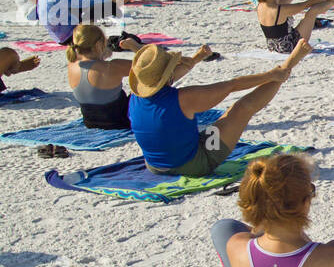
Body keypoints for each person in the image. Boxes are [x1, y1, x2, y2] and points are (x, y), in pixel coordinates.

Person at [128, 41, 309, 177]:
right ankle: (288, 65)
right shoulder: (183, 99)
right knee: (241, 108)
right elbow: (232, 85)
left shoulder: (135, 98)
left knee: (213, 126)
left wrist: (197, 58)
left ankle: (282, 71)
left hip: (154, 165)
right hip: (193, 164)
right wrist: (272, 74)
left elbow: (171, 78)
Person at [65, 23, 212, 129]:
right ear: (98, 45)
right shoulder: (111, 67)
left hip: (90, 121)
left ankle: (193, 61)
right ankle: (194, 60)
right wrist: (135, 47)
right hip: (121, 120)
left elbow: (94, 68)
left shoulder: (71, 65)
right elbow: (153, 67)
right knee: (159, 81)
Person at [255, 0, 334, 53]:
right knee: (312, 12)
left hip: (272, 46)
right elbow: (306, 4)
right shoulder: (280, 9)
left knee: (286, 0)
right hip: (287, 47)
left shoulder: (260, 5)